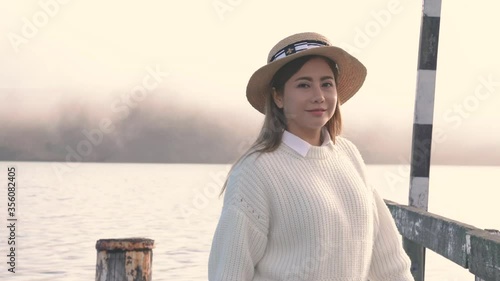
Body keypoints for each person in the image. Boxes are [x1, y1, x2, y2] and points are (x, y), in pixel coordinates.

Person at [208, 32, 413, 281]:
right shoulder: (255, 171)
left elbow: (388, 261)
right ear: (278, 96)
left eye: (326, 83)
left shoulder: (349, 155)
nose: (319, 95)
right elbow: (228, 273)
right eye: (304, 84)